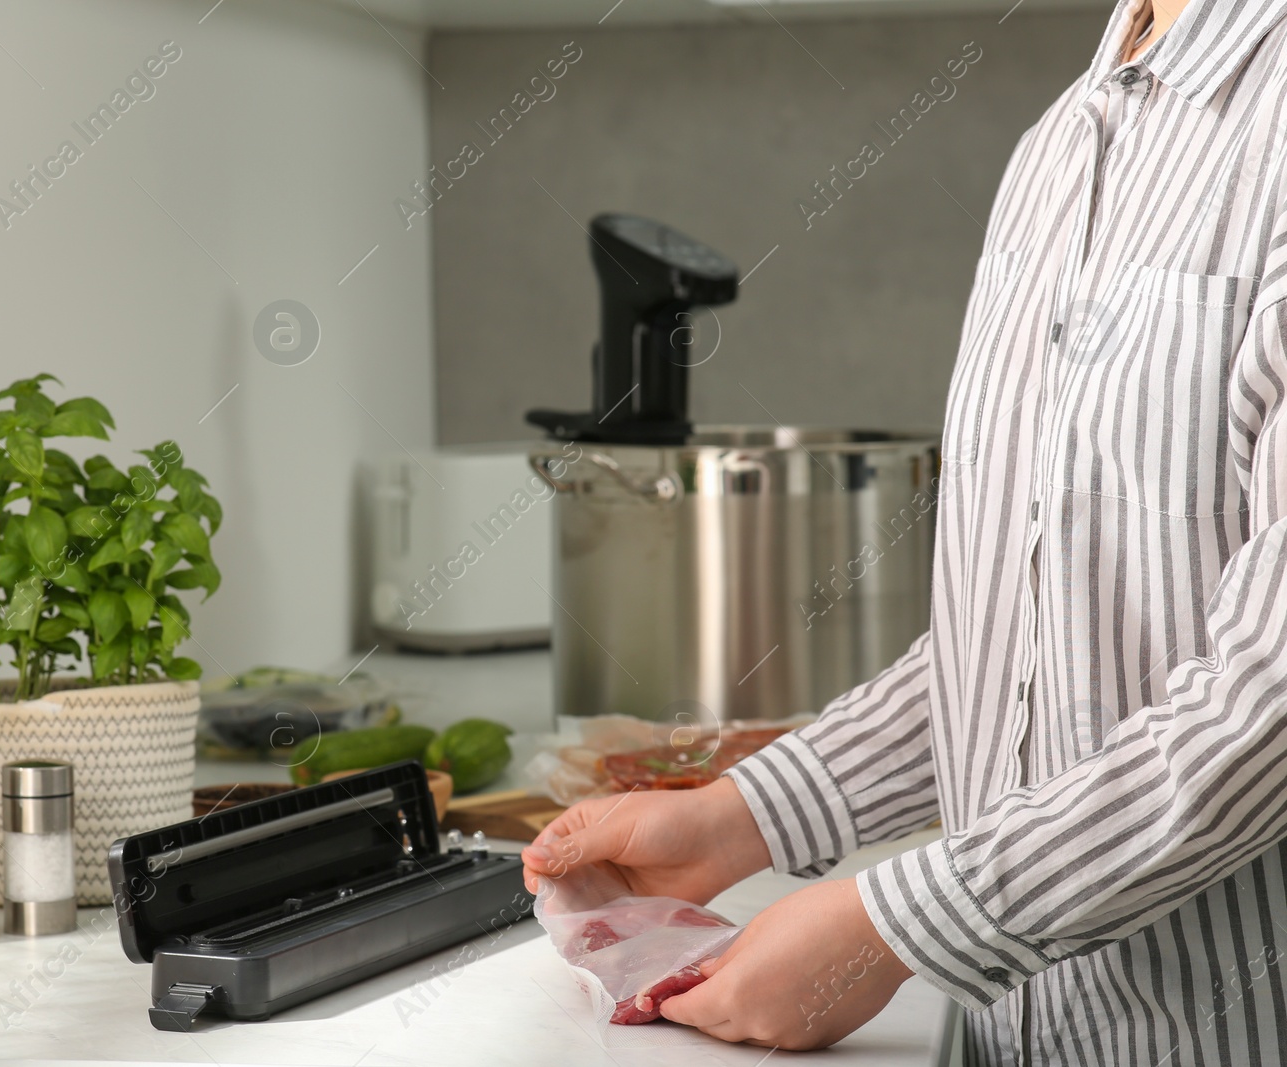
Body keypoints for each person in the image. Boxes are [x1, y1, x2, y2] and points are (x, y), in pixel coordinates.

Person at [522, 0, 1287, 1061]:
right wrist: (744, 814)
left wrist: (895, 922)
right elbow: (1026, 632)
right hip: (1009, 1031)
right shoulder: (1058, 145)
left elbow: (1270, 710)